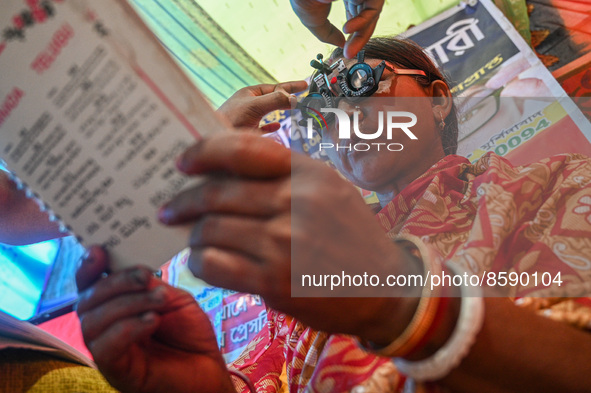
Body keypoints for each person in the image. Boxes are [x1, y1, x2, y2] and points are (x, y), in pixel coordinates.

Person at [76, 34, 591, 393]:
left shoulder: (555, 185)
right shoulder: (301, 271)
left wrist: (401, 304)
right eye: (323, 111)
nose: (343, 114)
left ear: (437, 100)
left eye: (363, 81)